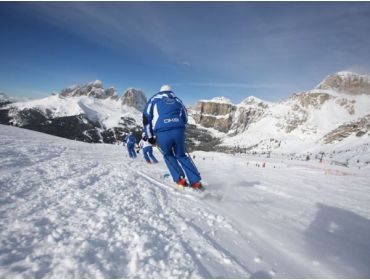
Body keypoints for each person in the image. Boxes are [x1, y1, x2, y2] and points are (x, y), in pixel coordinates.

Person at [142, 84, 202, 189]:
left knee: (168, 155)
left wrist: (150, 136)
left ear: (160, 91)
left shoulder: (153, 100)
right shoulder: (177, 100)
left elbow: (146, 119)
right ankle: (195, 182)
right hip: (178, 131)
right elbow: (185, 118)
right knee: (182, 155)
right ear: (171, 91)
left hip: (162, 132)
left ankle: (180, 180)